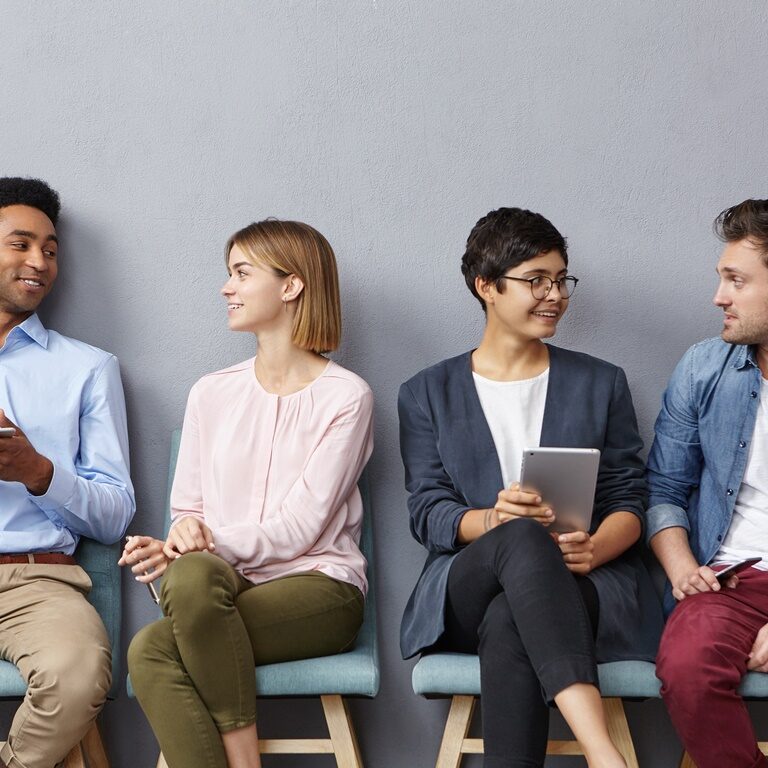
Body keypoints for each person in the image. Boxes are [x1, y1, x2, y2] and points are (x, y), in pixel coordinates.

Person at [398, 207, 663, 768]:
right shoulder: (427, 392)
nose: (555, 295)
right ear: (486, 287)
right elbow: (428, 512)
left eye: (561, 279)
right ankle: (604, 754)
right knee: (520, 538)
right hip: (466, 581)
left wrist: (595, 549)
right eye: (535, 280)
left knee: (510, 620)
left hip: (581, 582)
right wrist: (493, 522)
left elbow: (628, 499)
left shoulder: (600, 381)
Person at [123, 219, 373, 768]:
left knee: (152, 648)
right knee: (184, 583)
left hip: (318, 587)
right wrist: (183, 536)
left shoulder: (346, 398)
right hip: (217, 587)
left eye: (241, 272)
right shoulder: (211, 392)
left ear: (291, 285)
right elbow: (187, 510)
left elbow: (300, 529)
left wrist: (201, 542)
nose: (225, 287)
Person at [0, 177, 135, 768]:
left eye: (50, 250)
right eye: (20, 244)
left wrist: (38, 471)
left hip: (36, 583)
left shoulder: (88, 368)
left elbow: (115, 514)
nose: (39, 263)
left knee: (78, 677)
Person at [647, 199, 768, 768]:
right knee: (687, 669)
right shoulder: (702, 367)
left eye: (736, 280)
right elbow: (665, 489)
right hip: (730, 582)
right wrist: (681, 570)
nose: (719, 297)